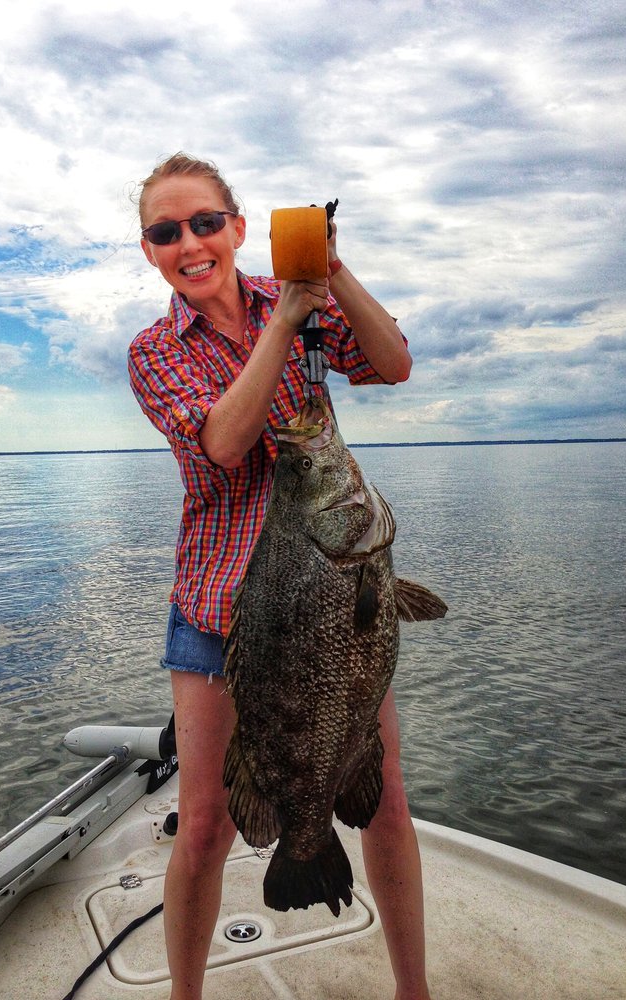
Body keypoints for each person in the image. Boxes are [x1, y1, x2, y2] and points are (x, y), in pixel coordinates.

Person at [128, 152, 431, 1000]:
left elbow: (393, 363)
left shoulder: (297, 293)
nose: (188, 243)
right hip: (219, 610)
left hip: (332, 604)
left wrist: (330, 273)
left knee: (389, 801)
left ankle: (416, 991)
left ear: (235, 227)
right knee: (205, 829)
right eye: (165, 231)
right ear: (149, 249)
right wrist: (286, 319)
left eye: (203, 223)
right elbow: (224, 443)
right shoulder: (154, 352)